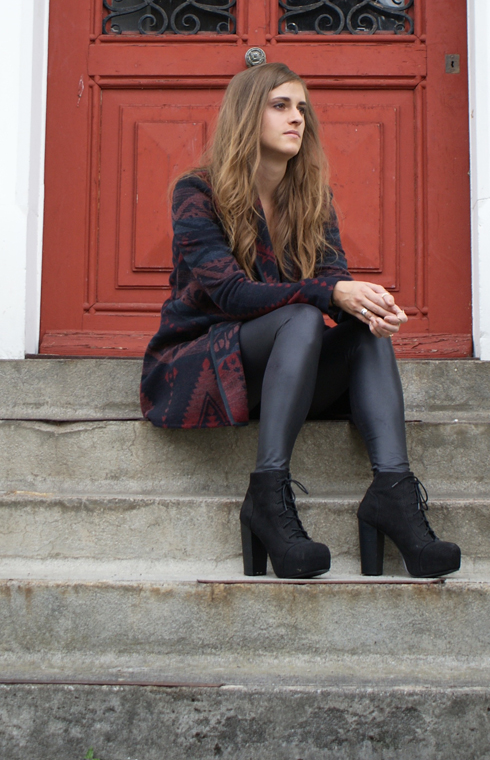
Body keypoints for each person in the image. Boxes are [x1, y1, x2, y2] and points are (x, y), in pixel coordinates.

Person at [140, 62, 461, 581]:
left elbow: (333, 280)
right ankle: (268, 493)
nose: (297, 119)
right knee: (303, 317)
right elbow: (231, 294)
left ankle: (393, 495)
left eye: (302, 109)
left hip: (285, 371)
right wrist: (329, 293)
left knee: (358, 333)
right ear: (248, 115)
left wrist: (370, 307)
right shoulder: (197, 192)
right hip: (204, 366)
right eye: (281, 106)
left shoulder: (311, 196)